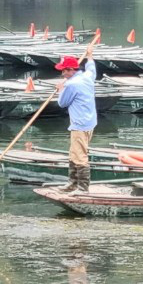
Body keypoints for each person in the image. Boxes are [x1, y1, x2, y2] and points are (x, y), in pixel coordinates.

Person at [55, 42, 97, 192]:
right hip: (90, 122)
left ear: (71, 70)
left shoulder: (71, 85)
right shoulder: (87, 77)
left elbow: (62, 103)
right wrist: (90, 55)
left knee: (80, 156)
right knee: (74, 154)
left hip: (80, 124)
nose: (62, 74)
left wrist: (60, 89)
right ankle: (72, 183)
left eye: (64, 71)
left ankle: (82, 187)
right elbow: (91, 68)